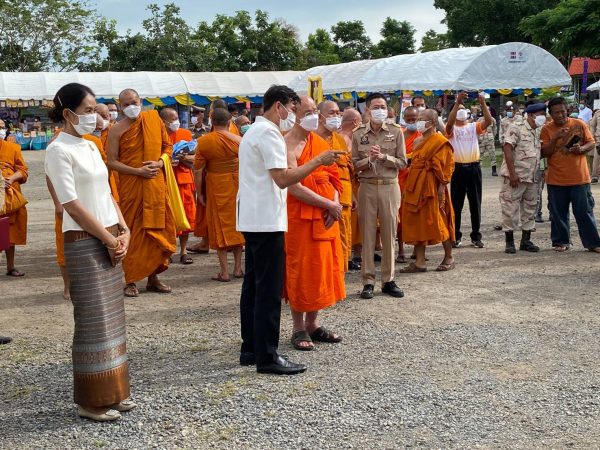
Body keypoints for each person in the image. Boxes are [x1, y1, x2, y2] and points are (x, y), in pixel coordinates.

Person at [45, 82, 134, 422]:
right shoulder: (58, 149)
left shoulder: (92, 145)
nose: (94, 117)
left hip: (110, 232)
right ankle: (91, 400)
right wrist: (110, 240)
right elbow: (72, 205)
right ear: (68, 114)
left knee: (113, 318)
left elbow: (105, 191)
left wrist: (122, 228)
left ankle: (116, 391)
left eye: (95, 110)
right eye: (86, 111)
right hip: (84, 238)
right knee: (93, 321)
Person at [237, 85, 340, 375]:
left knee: (254, 286)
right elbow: (283, 179)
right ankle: (267, 356)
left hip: (254, 217)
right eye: (293, 110)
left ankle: (251, 348)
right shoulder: (268, 133)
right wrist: (318, 161)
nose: (292, 116)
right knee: (267, 290)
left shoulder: (252, 133)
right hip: (267, 219)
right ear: (279, 106)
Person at [284, 96, 345, 351]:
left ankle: (313, 324)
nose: (314, 117)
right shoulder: (286, 143)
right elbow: (292, 186)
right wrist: (327, 204)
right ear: (293, 112)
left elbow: (334, 177)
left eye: (314, 112)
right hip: (299, 217)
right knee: (301, 271)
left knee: (323, 270)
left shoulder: (317, 142)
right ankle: (298, 328)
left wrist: (335, 202)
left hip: (325, 216)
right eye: (308, 111)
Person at [107, 89, 176, 297]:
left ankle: (153, 278)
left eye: (134, 102)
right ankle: (131, 280)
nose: (131, 106)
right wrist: (137, 171)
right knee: (133, 234)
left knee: (156, 232)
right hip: (131, 187)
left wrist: (158, 162)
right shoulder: (116, 130)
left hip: (155, 185)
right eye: (126, 104)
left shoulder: (153, 120)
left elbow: (168, 148)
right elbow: (111, 161)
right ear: (120, 106)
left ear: (141, 101)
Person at [352, 93, 407, 300]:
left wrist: (383, 157)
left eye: (383, 106)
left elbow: (403, 162)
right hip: (367, 186)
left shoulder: (395, 131)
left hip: (389, 186)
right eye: (375, 107)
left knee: (389, 233)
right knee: (367, 234)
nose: (379, 110)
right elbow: (353, 165)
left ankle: (388, 279)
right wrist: (368, 159)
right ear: (367, 109)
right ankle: (367, 280)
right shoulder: (358, 134)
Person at [541, 97, 600, 253]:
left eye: (562, 111)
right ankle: (561, 241)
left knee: (585, 212)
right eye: (556, 113)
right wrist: (556, 137)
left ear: (567, 110)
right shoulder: (546, 129)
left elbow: (591, 142)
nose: (560, 115)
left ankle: (593, 243)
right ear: (551, 114)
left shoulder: (579, 124)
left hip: (579, 178)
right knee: (558, 213)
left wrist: (581, 149)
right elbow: (544, 152)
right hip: (556, 179)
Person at [400, 108, 455, 272]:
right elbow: (416, 159)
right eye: (418, 119)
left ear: (432, 122)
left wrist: (441, 188)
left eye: (422, 119)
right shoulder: (418, 141)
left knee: (437, 221)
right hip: (415, 185)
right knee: (418, 222)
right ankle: (420, 261)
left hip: (432, 186)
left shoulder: (440, 141)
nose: (418, 122)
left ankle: (449, 257)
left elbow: (447, 168)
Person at [194, 108, 244, 281]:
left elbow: (198, 170)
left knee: (218, 226)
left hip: (215, 185)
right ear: (229, 122)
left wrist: (199, 193)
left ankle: (224, 272)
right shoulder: (239, 140)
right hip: (237, 184)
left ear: (212, 122)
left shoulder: (205, 141)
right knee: (238, 224)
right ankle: (238, 269)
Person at [499, 103, 547, 254]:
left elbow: (540, 152)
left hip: (532, 177)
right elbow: (507, 148)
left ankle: (525, 241)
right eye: (540, 113)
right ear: (531, 114)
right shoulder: (516, 127)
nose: (543, 117)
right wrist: (512, 174)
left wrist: (543, 169)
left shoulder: (538, 130)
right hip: (516, 177)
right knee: (510, 209)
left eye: (543, 114)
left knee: (530, 208)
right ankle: (510, 242)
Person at [446, 92, 492, 248]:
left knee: (475, 203)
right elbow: (449, 124)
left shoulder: (473, 127)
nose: (461, 110)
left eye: (463, 108)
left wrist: (482, 103)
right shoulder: (451, 129)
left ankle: (476, 236)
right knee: (456, 204)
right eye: (458, 108)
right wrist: (457, 101)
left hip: (473, 167)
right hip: (457, 169)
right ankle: (456, 235)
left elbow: (488, 121)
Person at [316, 100, 354, 272]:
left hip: (341, 196)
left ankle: (340, 275)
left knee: (343, 238)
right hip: (317, 195)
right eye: (332, 113)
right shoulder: (310, 139)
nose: (337, 116)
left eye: (339, 113)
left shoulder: (340, 139)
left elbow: (348, 169)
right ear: (319, 115)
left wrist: (352, 195)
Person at [160, 107, 196, 265]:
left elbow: (194, 159)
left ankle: (184, 250)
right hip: (166, 180)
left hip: (183, 180)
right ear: (163, 121)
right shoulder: (157, 135)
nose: (176, 122)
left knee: (186, 216)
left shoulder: (185, 134)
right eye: (172, 119)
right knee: (167, 218)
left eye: (177, 119)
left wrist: (183, 157)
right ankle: (168, 249)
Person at [0, 119, 28, 277]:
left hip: (10, 194)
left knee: (9, 231)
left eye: (3, 128)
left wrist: (12, 178)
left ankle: (10, 266)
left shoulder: (13, 148)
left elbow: (23, 170)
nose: (2, 131)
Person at [340, 107, 364, 270]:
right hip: (346, 187)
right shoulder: (341, 140)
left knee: (356, 225)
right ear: (355, 122)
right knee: (346, 225)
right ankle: (345, 258)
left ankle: (355, 255)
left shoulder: (353, 138)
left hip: (356, 186)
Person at [397, 106, 421, 264]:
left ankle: (417, 249)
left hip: (417, 179)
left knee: (417, 214)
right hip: (401, 179)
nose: (411, 122)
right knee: (400, 216)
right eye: (409, 119)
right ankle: (400, 250)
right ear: (404, 119)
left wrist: (410, 157)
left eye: (415, 119)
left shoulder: (423, 136)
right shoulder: (399, 136)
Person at [477, 106, 498, 176]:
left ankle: (494, 170)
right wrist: (478, 138)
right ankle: (478, 171)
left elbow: (495, 129)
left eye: (488, 110)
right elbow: (476, 129)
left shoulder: (492, 119)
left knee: (493, 154)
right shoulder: (479, 120)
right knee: (479, 156)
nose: (487, 111)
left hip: (490, 140)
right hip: (481, 139)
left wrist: (492, 136)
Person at [589, 109, 600, 183]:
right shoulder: (598, 113)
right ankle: (594, 176)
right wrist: (592, 136)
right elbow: (592, 125)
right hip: (599, 139)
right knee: (596, 158)